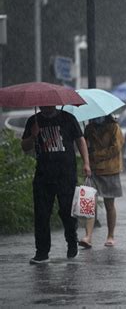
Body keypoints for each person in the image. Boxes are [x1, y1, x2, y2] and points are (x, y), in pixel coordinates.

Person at [21, 106, 91, 264]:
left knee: (67, 212)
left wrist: (86, 163)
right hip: (43, 175)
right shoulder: (34, 121)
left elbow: (80, 140)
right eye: (41, 104)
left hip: (66, 174)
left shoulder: (68, 118)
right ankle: (42, 252)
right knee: (41, 214)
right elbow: (24, 147)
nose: (44, 106)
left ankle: (72, 244)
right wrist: (33, 136)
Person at [79, 115, 124, 248]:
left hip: (110, 170)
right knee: (90, 203)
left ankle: (110, 236)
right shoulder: (89, 128)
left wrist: (97, 155)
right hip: (93, 170)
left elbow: (116, 147)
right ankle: (88, 236)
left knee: (109, 204)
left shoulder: (114, 127)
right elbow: (84, 147)